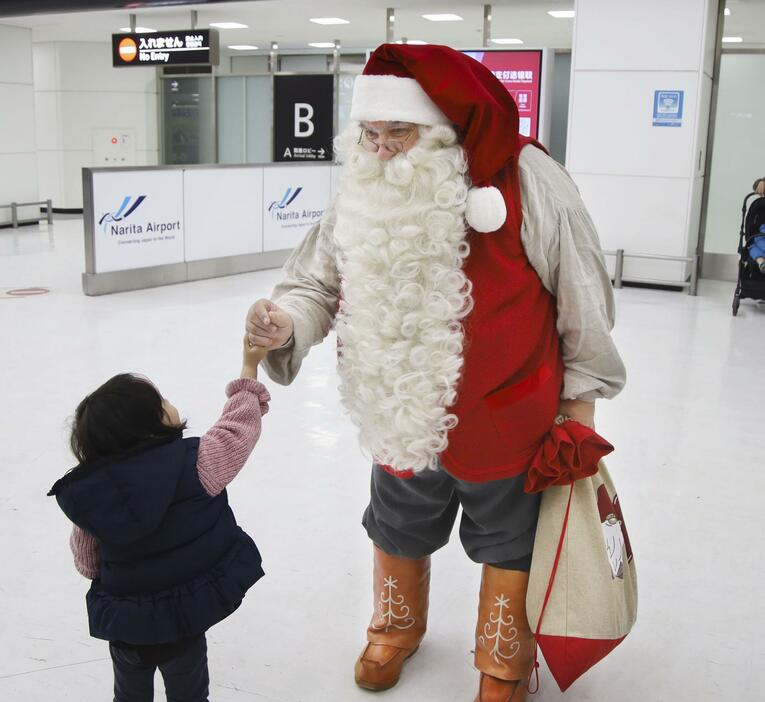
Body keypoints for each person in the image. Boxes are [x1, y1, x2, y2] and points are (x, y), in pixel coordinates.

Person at [247, 44, 626, 702]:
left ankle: (502, 658)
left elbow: (581, 293)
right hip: (398, 403)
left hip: (507, 412)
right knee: (396, 523)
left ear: (443, 130)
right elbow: (314, 281)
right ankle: (395, 626)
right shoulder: (363, 189)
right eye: (371, 134)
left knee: (510, 539)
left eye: (400, 132)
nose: (384, 148)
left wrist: (581, 402)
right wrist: (287, 321)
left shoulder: (527, 177)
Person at [48, 337, 271, 702]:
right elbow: (238, 429)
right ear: (151, 426)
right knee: (189, 692)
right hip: (183, 620)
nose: (169, 402)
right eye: (161, 401)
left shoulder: (93, 497)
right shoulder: (197, 463)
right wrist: (249, 368)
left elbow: (87, 564)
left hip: (126, 624)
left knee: (129, 693)